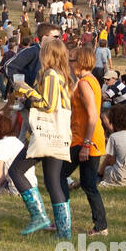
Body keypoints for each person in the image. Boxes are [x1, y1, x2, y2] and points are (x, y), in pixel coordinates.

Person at [22, 36, 74, 237]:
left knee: (18, 170)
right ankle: (64, 232)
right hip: (57, 135)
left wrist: (27, 91)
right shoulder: (62, 75)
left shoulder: (51, 75)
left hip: (45, 133)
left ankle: (39, 216)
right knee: (53, 181)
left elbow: (48, 105)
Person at [63, 45, 107, 236]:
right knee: (88, 184)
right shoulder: (87, 81)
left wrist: (86, 145)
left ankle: (62, 220)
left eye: (72, 59)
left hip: (85, 140)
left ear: (80, 62)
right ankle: (101, 226)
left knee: (57, 177)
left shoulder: (84, 83)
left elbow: (92, 116)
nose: (69, 63)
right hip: (87, 139)